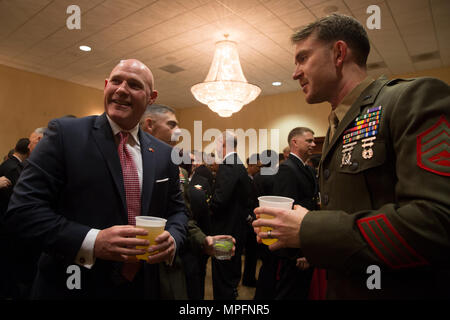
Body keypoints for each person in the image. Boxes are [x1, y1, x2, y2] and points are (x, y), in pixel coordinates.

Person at [253, 13, 450, 299]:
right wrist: (304, 237)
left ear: (339, 53)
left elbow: (437, 222)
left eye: (303, 58)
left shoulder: (409, 99)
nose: (295, 73)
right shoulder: (337, 125)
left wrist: (311, 229)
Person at [2, 59, 188, 299]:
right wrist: (92, 240)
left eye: (134, 84)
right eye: (116, 81)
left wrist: (173, 237)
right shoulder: (65, 135)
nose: (121, 89)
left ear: (151, 97)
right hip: (73, 285)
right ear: (105, 85)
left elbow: (178, 211)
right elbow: (23, 211)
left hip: (143, 286)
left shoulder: (164, 154)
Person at [271, 127, 318, 300]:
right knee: (289, 293)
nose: (313, 144)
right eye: (309, 141)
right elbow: (286, 213)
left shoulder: (306, 168)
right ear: (295, 142)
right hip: (295, 247)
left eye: (313, 141)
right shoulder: (288, 169)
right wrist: (299, 252)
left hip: (306, 239)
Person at [210, 131, 253, 300]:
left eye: (217, 144)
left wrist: (209, 207)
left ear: (223, 144)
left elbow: (220, 200)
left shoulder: (228, 165)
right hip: (236, 228)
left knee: (222, 274)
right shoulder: (239, 165)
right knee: (231, 272)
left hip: (224, 232)